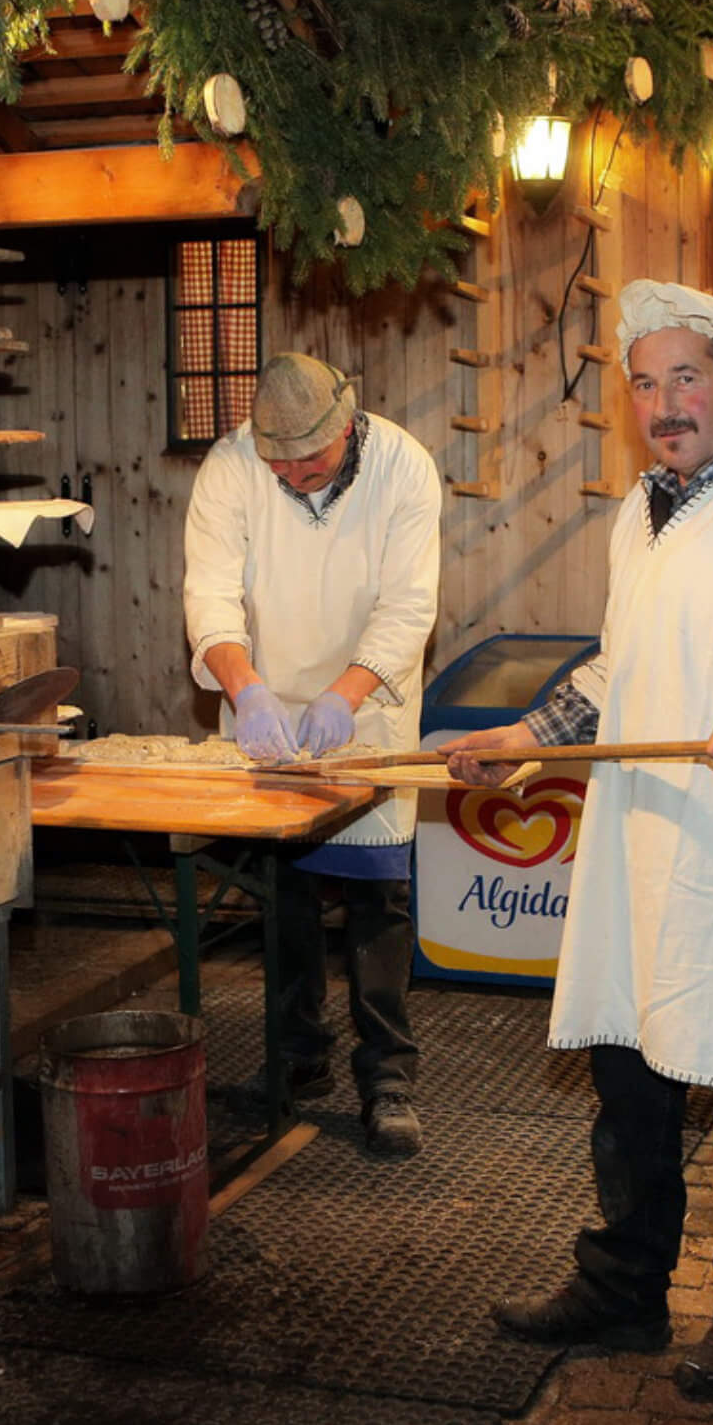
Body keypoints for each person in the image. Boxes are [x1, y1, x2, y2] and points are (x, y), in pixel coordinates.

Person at [443, 281, 713, 1402]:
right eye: (644, 384)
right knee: (629, 1076)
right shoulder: (638, 512)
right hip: (645, 843)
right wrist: (524, 739)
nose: (663, 404)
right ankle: (626, 1285)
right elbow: (619, 668)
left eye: (685, 377)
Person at [182, 352, 443, 1157]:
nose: (293, 477)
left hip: (369, 703)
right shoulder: (231, 467)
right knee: (283, 892)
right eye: (280, 464)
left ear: (348, 423)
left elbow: (408, 606)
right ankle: (297, 1055)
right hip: (267, 696)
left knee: (376, 894)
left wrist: (346, 694)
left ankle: (387, 1074)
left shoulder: (403, 467)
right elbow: (210, 593)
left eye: (311, 462)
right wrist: (247, 691)